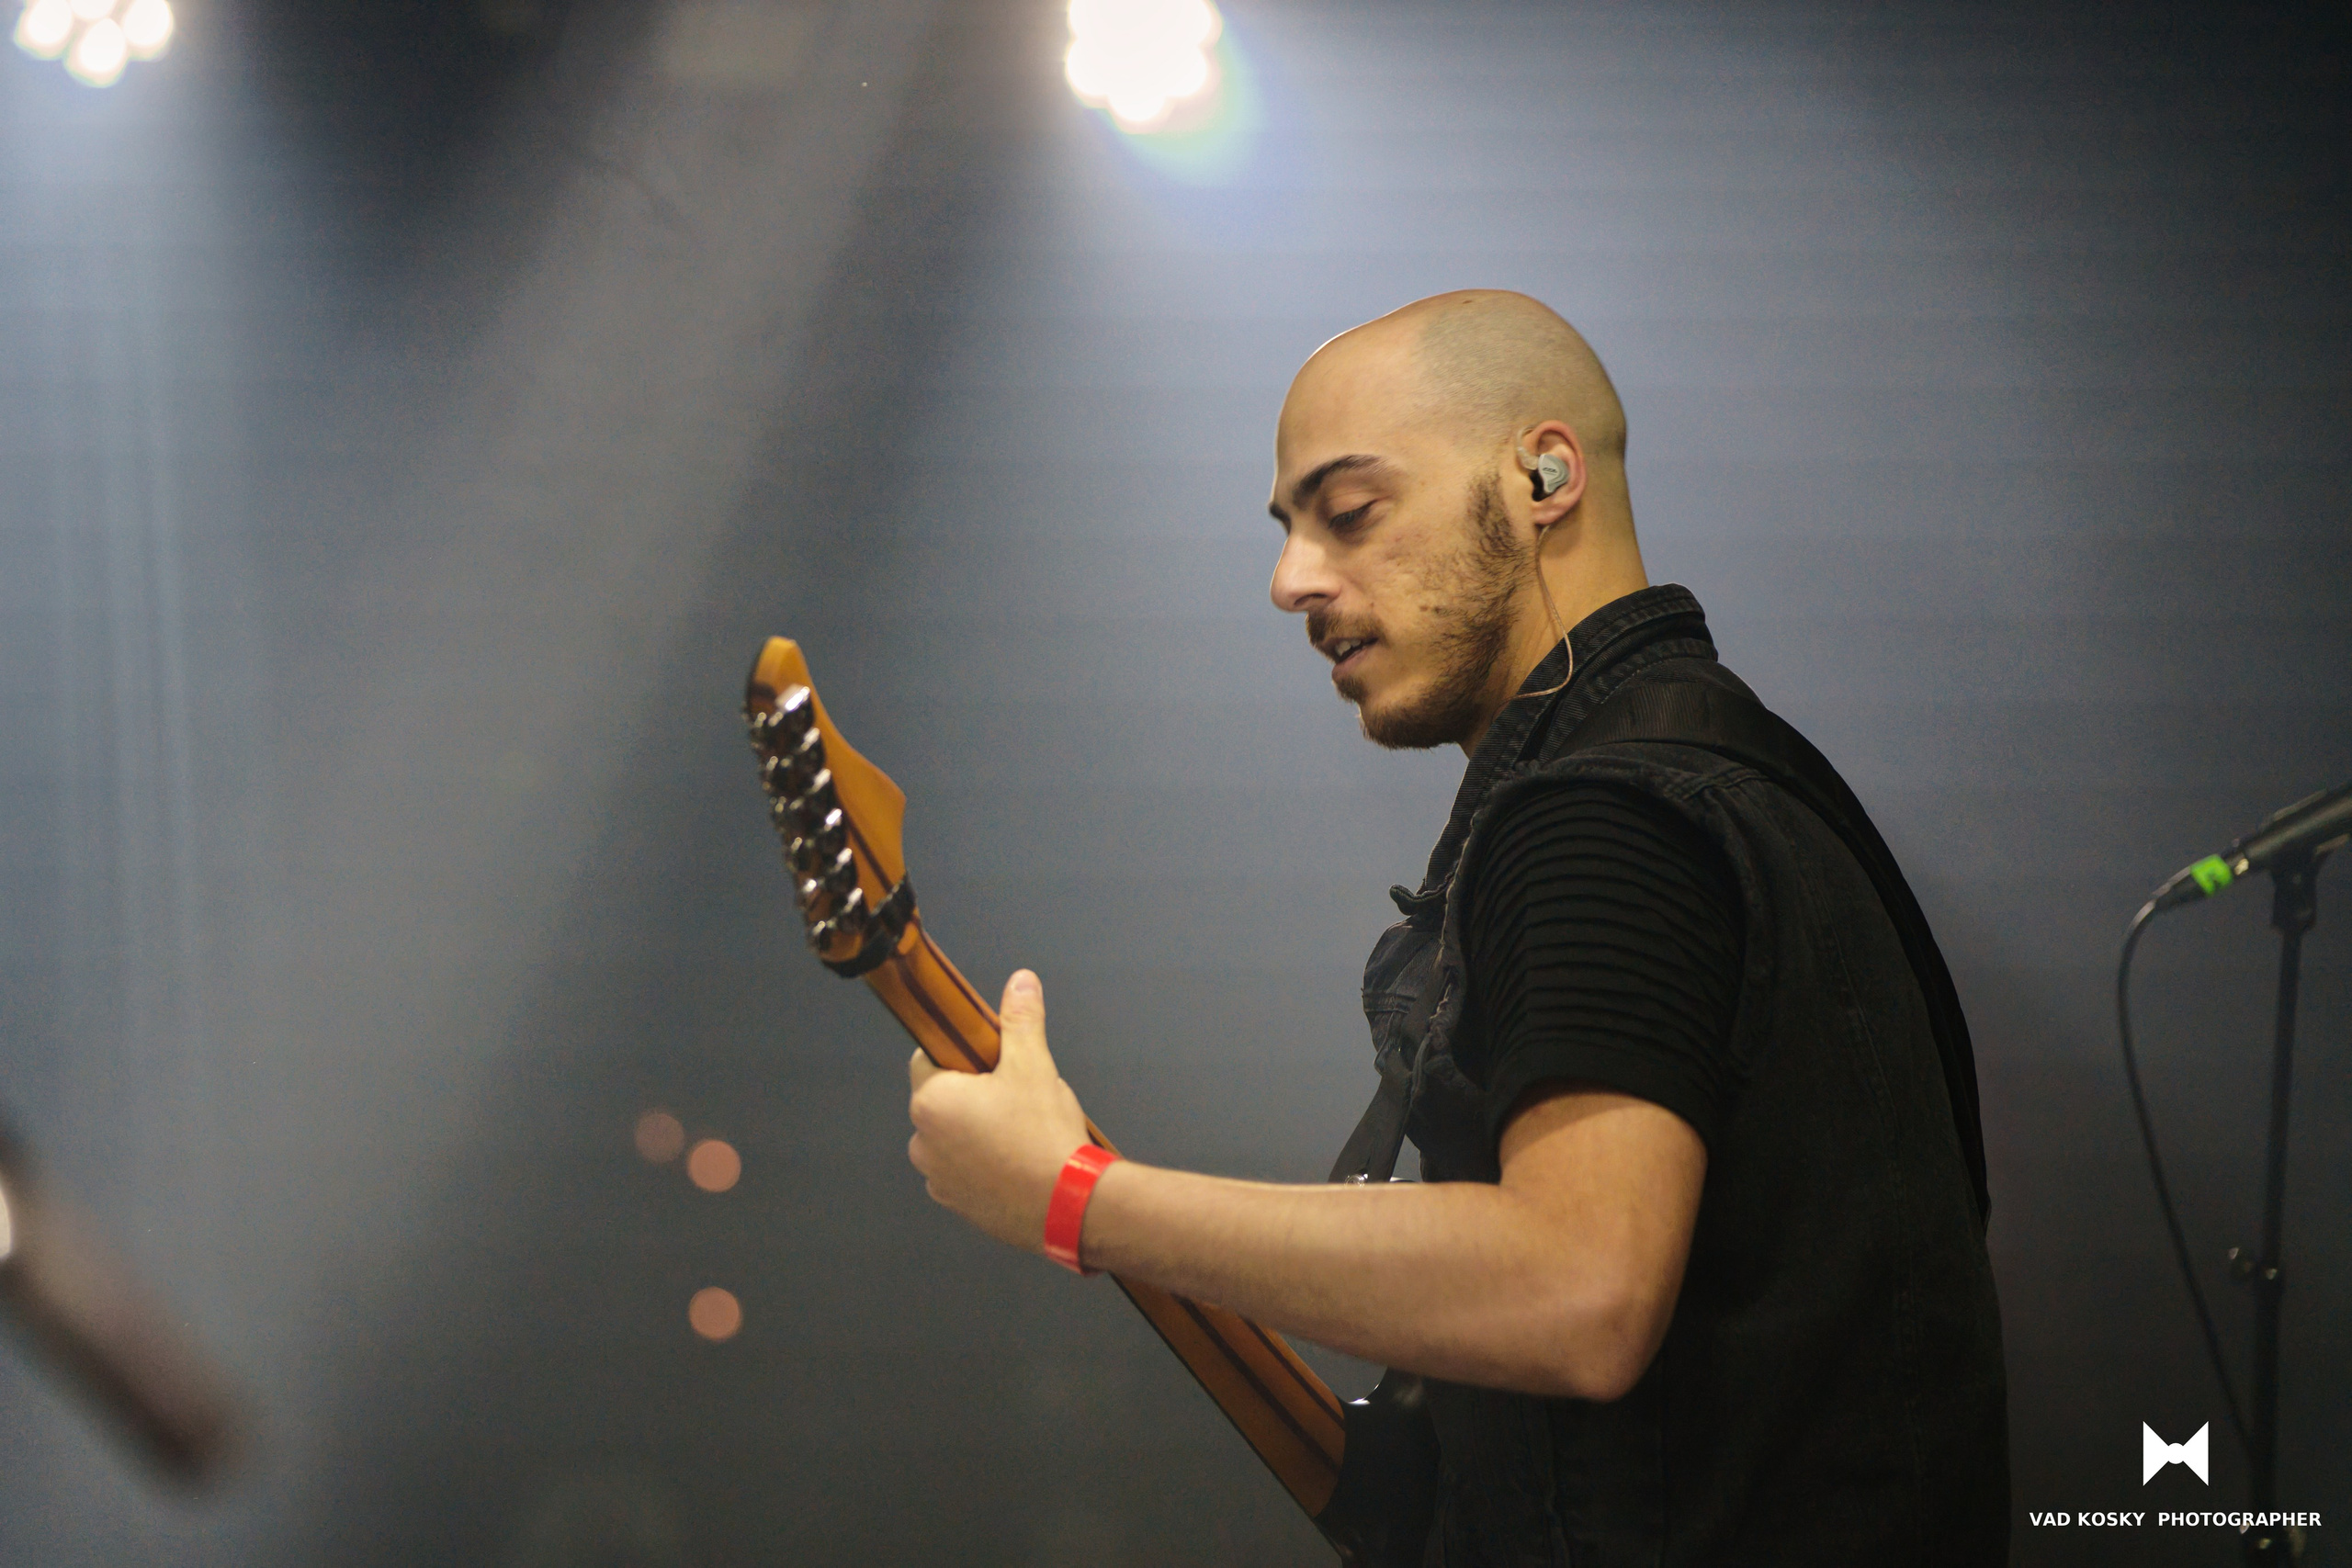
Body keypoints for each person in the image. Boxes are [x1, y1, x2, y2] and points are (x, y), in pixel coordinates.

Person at [904, 289, 2009, 1565]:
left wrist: (1078, 1200)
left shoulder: (1600, 815)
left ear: (1545, 475)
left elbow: (1576, 1289)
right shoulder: (1746, 778)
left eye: (1351, 511)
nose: (1289, 582)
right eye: (1288, 531)